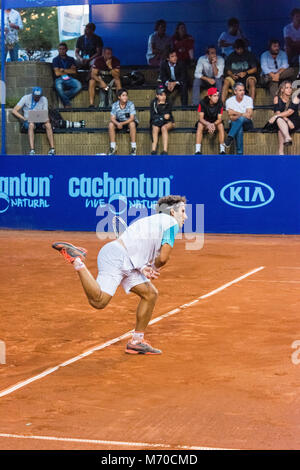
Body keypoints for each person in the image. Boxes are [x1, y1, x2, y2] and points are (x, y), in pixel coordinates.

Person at [52, 195, 188, 355]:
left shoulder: (152, 222)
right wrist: (155, 266)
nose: (185, 216)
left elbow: (137, 249)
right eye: (183, 211)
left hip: (125, 259)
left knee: (150, 294)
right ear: (172, 212)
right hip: (116, 257)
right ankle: (77, 260)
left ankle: (136, 341)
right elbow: (163, 258)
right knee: (99, 301)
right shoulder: (171, 223)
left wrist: (145, 267)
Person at [12, 87, 55, 156]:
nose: (37, 98)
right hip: (28, 120)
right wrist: (23, 118)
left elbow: (45, 112)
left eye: (38, 97)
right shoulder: (26, 98)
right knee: (31, 125)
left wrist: (46, 118)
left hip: (40, 120)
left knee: (48, 125)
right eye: (35, 97)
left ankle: (52, 149)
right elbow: (14, 110)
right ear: (32, 95)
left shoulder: (44, 99)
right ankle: (32, 150)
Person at [266, 80, 300, 155]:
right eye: (287, 88)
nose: (289, 89)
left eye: (290, 87)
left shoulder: (294, 98)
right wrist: (286, 120)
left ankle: (280, 151)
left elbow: (290, 112)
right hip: (284, 120)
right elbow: (278, 112)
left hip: (294, 121)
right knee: (279, 121)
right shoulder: (277, 98)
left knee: (279, 122)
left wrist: (275, 116)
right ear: (282, 89)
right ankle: (287, 138)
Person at [222, 39, 258, 103]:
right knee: (226, 81)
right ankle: (221, 104)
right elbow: (227, 70)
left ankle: (250, 104)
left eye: (240, 49)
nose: (238, 51)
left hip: (247, 77)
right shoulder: (231, 56)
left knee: (252, 81)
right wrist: (232, 75)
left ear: (243, 48)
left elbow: (255, 69)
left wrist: (246, 72)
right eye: (237, 49)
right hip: (234, 77)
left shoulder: (249, 55)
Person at [224, 82, 253, 155]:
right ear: (235, 91)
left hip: (247, 123)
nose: (242, 92)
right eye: (240, 90)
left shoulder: (249, 99)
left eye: (243, 90)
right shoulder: (229, 101)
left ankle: (229, 138)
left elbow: (249, 116)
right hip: (234, 123)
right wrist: (242, 114)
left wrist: (235, 113)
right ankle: (240, 154)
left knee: (241, 119)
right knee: (239, 127)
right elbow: (231, 117)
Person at [107, 88, 138, 156]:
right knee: (111, 124)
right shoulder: (115, 105)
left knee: (132, 124)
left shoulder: (131, 104)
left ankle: (133, 147)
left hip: (128, 122)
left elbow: (132, 118)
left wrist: (122, 124)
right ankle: (113, 146)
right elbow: (112, 118)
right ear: (119, 97)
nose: (125, 97)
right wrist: (118, 123)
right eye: (123, 95)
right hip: (119, 122)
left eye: (126, 95)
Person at [195, 87, 225, 155]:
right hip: (205, 123)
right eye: (214, 96)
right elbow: (201, 118)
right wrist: (208, 124)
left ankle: (222, 150)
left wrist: (213, 125)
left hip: (215, 123)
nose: (217, 97)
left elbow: (219, 119)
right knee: (200, 125)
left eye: (217, 95)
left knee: (221, 125)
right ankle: (197, 150)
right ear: (209, 96)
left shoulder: (220, 103)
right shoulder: (202, 102)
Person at [52, 43, 82, 108]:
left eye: (63, 49)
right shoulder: (55, 59)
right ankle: (67, 104)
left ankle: (62, 97)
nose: (61, 51)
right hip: (59, 79)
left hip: (69, 78)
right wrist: (68, 70)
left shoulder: (71, 59)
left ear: (66, 50)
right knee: (59, 87)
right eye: (60, 49)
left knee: (79, 86)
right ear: (58, 50)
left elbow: (74, 71)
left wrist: (63, 70)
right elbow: (57, 73)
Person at [150, 86, 175, 155]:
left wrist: (162, 106)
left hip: (168, 122)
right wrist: (161, 116)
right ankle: (153, 150)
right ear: (157, 96)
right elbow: (153, 116)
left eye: (164, 95)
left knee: (163, 128)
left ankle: (165, 150)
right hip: (157, 121)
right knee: (155, 128)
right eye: (161, 95)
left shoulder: (168, 102)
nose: (163, 97)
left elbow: (167, 116)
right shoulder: (153, 103)